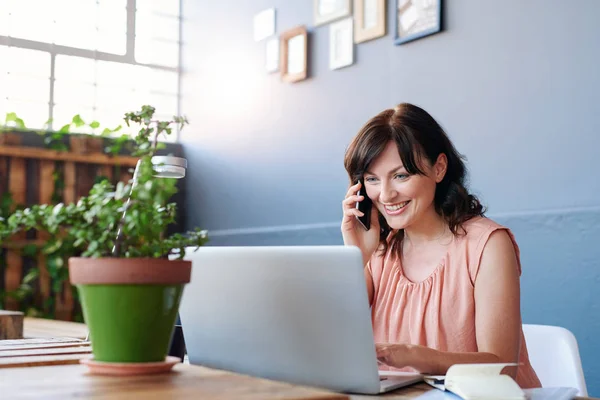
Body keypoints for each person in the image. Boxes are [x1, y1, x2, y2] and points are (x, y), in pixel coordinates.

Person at [341, 103, 541, 388]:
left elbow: (502, 368)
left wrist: (421, 358)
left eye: (401, 175)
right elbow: (334, 344)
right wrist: (356, 257)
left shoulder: (488, 245)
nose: (385, 195)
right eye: (372, 179)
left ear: (439, 168)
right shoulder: (378, 252)